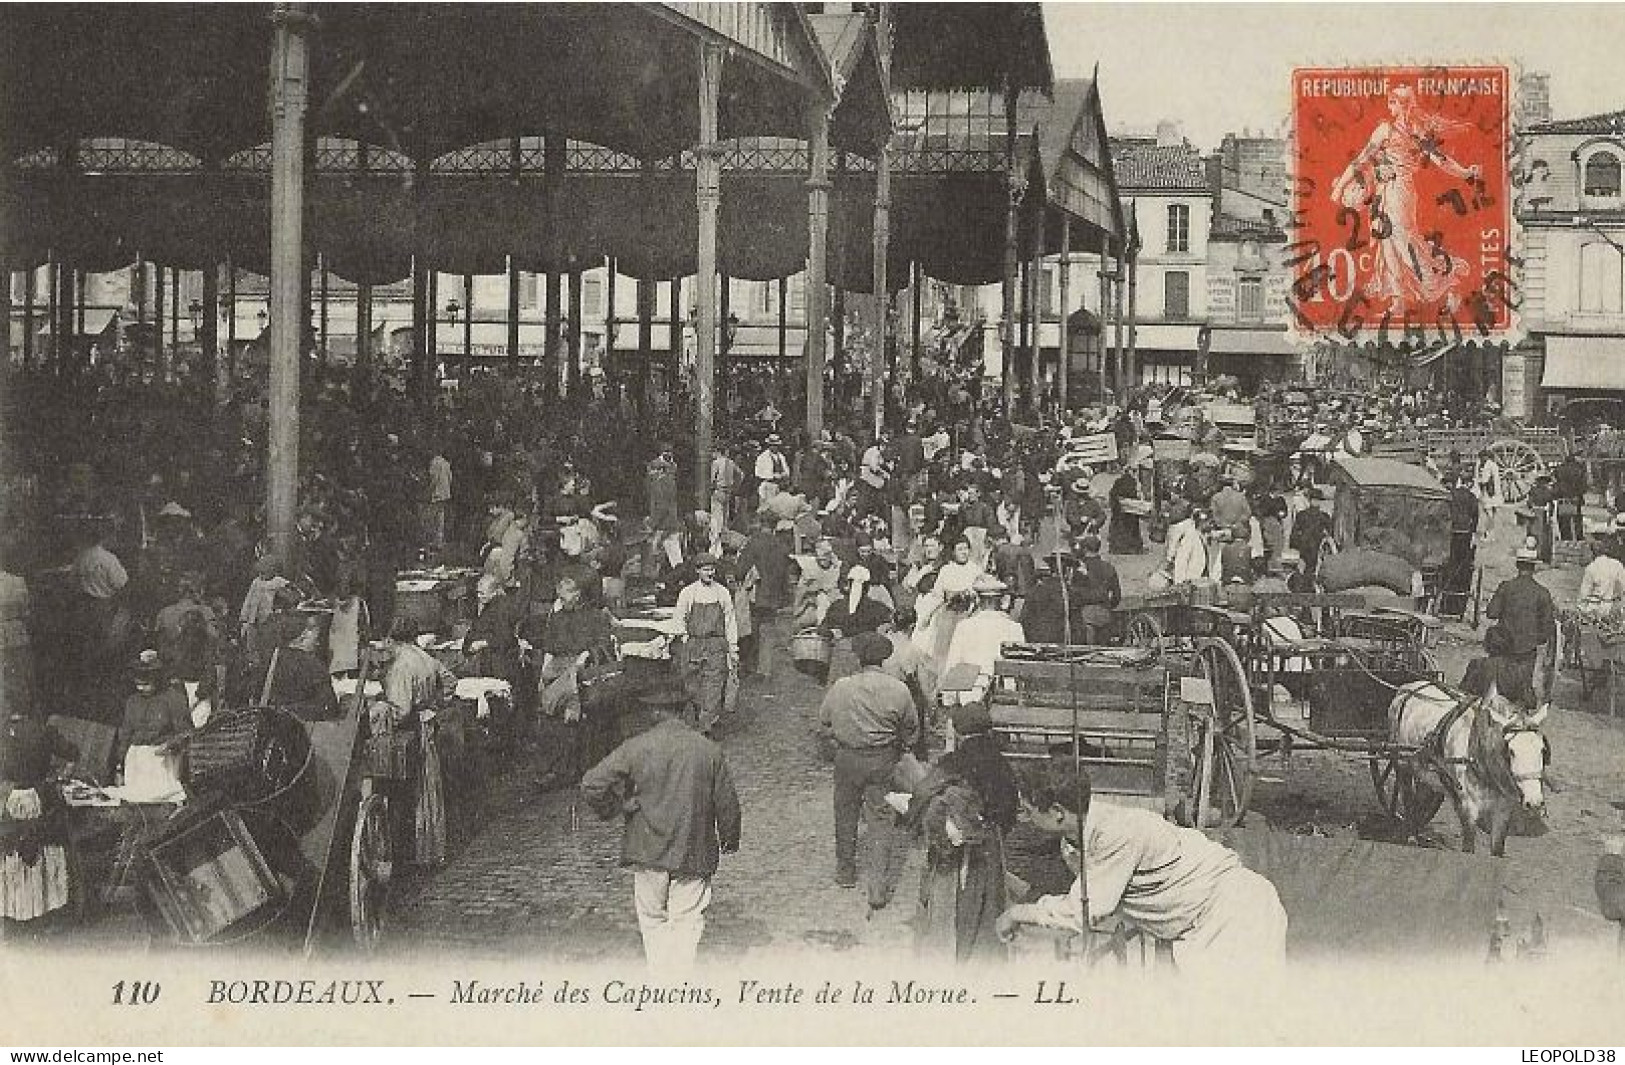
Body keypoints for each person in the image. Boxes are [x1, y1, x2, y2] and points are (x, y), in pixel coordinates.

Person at [998, 763, 1287, 977]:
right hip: (1197, 923)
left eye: (1028, 811)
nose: (1025, 820)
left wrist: (1017, 913)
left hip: (1236, 912)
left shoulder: (1116, 833)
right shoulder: (1074, 843)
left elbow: (1084, 911)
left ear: (1058, 812)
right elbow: (1087, 900)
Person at [579, 701, 741, 976]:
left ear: (654, 714)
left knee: (652, 919)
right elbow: (727, 804)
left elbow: (592, 784)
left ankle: (660, 979)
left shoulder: (637, 747)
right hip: (694, 849)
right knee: (687, 920)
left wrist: (617, 807)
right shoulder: (708, 750)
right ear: (686, 711)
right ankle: (679, 983)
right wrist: (729, 839)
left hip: (648, 849)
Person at [906, 701, 1019, 964]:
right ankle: (985, 954)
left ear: (958, 732)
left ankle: (952, 955)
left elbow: (923, 792)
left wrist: (913, 814)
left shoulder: (953, 762)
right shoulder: (1001, 763)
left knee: (954, 899)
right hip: (992, 840)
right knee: (989, 899)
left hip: (959, 842)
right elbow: (1011, 806)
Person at [817, 632, 918, 904]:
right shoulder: (899, 689)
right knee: (881, 819)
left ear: (859, 658)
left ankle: (845, 871)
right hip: (882, 760)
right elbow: (911, 729)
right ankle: (877, 886)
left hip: (847, 759)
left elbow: (824, 722)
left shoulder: (841, 687)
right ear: (884, 659)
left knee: (845, 814)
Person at [1485, 537, 1558, 706]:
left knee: (1498, 688)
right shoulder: (1542, 593)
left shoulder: (1506, 587)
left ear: (1517, 566)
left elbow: (1491, 613)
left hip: (1504, 649)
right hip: (1526, 652)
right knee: (1523, 691)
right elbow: (1546, 630)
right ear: (1534, 568)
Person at [674, 554, 739, 735]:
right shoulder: (688, 593)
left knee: (714, 685)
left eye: (712, 569)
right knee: (693, 685)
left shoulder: (722, 593)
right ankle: (701, 716)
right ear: (697, 571)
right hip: (694, 644)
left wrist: (733, 648)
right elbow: (679, 617)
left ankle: (705, 727)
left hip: (715, 644)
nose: (709, 573)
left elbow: (730, 620)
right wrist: (685, 636)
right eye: (705, 569)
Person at [941, 575, 1026, 708]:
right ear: (1001, 601)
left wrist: (949, 699)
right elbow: (1021, 670)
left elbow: (953, 664)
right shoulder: (1014, 628)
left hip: (970, 695)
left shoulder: (964, 626)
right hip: (1003, 697)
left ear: (979, 601)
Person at [1578, 517, 1625, 622]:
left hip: (1594, 610)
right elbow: (1623, 589)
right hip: (1613, 608)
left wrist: (1582, 610)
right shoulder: (1618, 565)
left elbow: (1583, 595)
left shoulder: (1591, 568)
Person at [1287, 489, 1332, 584]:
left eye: (1318, 500)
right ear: (1309, 500)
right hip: (1306, 545)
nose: (1316, 502)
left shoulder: (1324, 516)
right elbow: (1295, 531)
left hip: (1315, 545)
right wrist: (1296, 544)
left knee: (1312, 568)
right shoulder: (1302, 515)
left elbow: (1329, 533)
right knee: (1307, 567)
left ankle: (1307, 584)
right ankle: (1306, 585)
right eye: (1314, 499)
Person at [1107, 465, 1144, 555]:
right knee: (1131, 528)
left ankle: (1118, 547)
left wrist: (1115, 506)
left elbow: (1112, 494)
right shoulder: (1132, 482)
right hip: (1130, 509)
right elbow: (1134, 495)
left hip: (1119, 509)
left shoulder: (1118, 481)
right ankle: (1131, 547)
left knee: (1120, 528)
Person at [425, 445, 453, 552]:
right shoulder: (446, 463)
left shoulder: (434, 463)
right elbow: (450, 478)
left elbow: (434, 479)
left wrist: (428, 491)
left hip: (436, 494)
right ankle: (439, 542)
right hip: (445, 494)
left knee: (432, 519)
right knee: (441, 518)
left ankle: (431, 542)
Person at [754, 433, 792, 501]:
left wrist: (785, 474)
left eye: (776, 445)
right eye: (773, 445)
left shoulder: (781, 456)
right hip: (768, 486)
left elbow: (786, 469)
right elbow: (758, 473)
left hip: (780, 486)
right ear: (769, 445)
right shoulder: (762, 457)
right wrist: (772, 476)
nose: (775, 447)